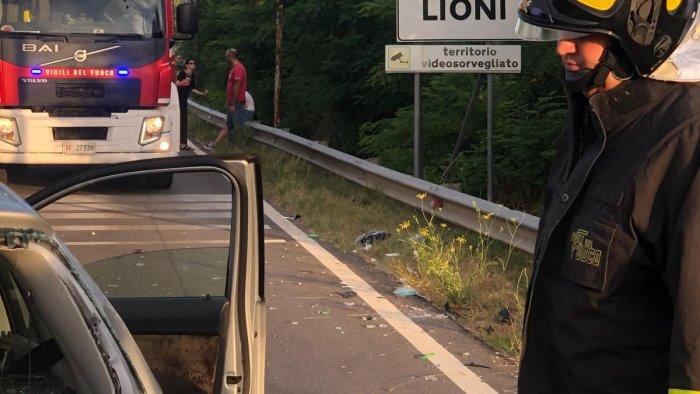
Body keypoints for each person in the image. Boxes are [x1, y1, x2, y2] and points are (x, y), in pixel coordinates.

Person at [515, 0, 700, 393]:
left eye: (581, 33)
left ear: (640, 34)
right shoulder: (593, 120)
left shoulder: (685, 144)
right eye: (561, 31)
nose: (562, 47)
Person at [203, 49, 248, 150]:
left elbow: (237, 86)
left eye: (227, 55)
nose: (226, 57)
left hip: (236, 103)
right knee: (228, 126)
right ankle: (215, 145)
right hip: (232, 102)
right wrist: (229, 100)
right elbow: (231, 86)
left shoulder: (239, 68)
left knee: (237, 127)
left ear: (231, 55)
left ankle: (239, 148)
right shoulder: (234, 68)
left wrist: (233, 103)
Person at [175, 59, 207, 151]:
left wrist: (202, 93)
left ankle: (183, 143)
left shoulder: (192, 75)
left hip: (184, 100)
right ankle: (180, 143)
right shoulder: (182, 73)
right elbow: (176, 84)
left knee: (184, 121)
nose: (193, 64)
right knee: (181, 120)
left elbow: (193, 88)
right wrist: (183, 82)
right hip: (179, 99)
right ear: (186, 65)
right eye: (191, 63)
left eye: (194, 63)